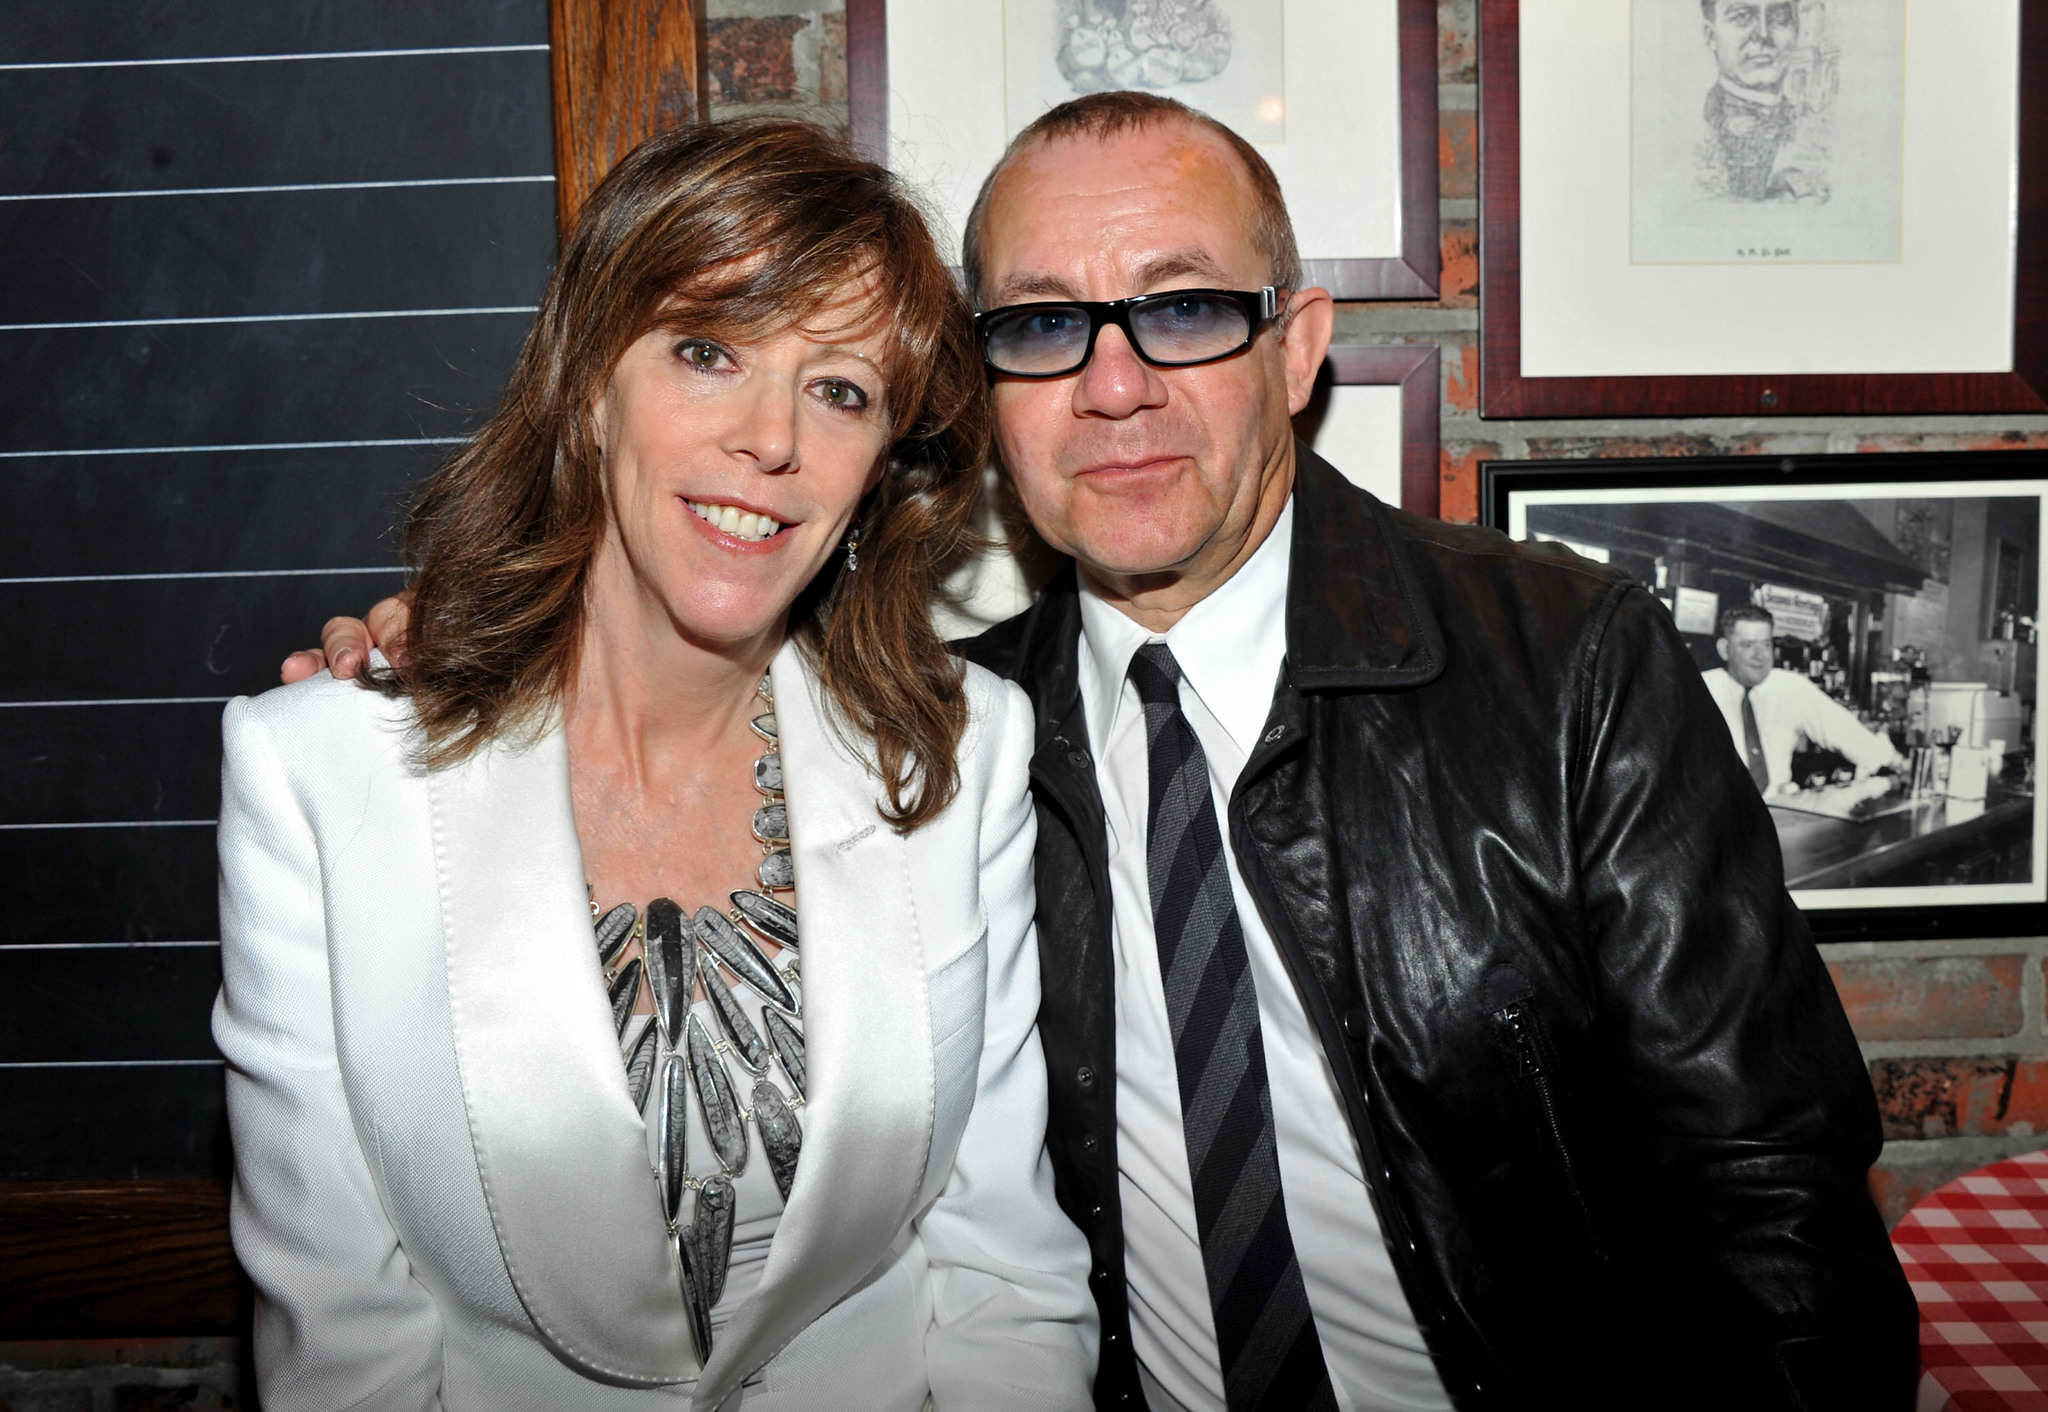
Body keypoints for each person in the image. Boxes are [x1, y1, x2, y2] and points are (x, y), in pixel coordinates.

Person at [303, 94, 1917, 1410]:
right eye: (1044, 326)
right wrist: (457, 657)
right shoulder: (948, 752)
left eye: (1184, 308)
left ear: (1296, 353)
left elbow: (1776, 1215)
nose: (1114, 383)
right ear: (984, 399)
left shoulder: (1563, 667)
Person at [219, 119, 1096, 1412]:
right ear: (588, 381)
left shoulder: (960, 754)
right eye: (705, 351)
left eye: (841, 389)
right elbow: (343, 1342)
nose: (771, 439)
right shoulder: (319, 775)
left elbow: (1002, 1279)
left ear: (881, 467)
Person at [1702, 602, 1903, 794]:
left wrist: (1901, 764)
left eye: (1766, 644)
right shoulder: (1697, 691)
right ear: (1725, 649)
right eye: (1748, 645)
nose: (1760, 655)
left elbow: (1846, 733)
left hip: (1775, 814)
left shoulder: (1790, 687)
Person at [1697, 0, 1819, 201]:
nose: (1763, 34)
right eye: (1741, 16)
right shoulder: (1702, 132)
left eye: (1780, 19)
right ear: (1711, 36)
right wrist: (1728, 124)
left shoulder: (1805, 121)